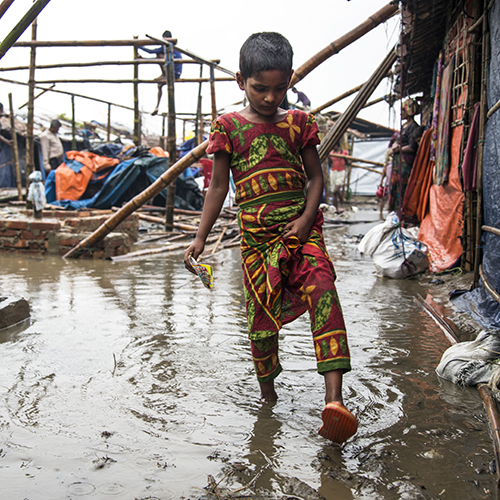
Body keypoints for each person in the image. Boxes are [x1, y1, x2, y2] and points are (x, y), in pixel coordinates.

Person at [183, 32, 357, 444]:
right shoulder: (227, 127)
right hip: (257, 241)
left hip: (302, 232)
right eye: (261, 88)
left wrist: (305, 218)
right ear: (240, 81)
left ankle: (334, 401)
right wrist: (199, 238)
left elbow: (316, 179)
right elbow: (218, 188)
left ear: (291, 80)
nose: (269, 97)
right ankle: (268, 399)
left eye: (280, 88)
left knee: (323, 290)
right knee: (262, 327)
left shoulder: (300, 123)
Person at [138, 30, 183, 116]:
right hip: (173, 72)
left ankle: (165, 75)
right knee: (159, 85)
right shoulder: (170, 48)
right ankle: (157, 107)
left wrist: (138, 46)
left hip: (173, 73)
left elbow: (151, 52)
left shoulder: (167, 47)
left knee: (159, 56)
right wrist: (144, 58)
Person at [387, 98, 420, 213]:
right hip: (398, 165)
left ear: (409, 111)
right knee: (396, 189)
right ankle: (396, 213)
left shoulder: (413, 127)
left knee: (403, 190)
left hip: (405, 166)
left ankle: (403, 215)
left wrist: (398, 149)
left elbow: (412, 147)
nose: (401, 112)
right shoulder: (404, 126)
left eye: (403, 110)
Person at [328, 145, 348, 209]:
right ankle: (335, 208)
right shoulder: (331, 153)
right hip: (333, 172)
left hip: (341, 171)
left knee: (337, 189)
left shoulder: (344, 152)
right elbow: (329, 163)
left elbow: (347, 162)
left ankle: (342, 204)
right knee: (333, 192)